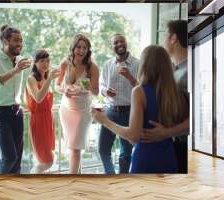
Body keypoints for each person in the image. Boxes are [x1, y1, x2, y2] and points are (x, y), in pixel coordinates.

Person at [92, 45, 188, 173]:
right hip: (169, 158)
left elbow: (133, 136)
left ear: (144, 65)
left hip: (145, 159)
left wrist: (104, 121)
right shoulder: (173, 92)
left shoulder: (139, 92)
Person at [140, 20, 189, 173]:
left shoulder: (189, 72)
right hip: (170, 146)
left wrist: (166, 133)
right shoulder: (172, 72)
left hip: (183, 147)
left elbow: (197, 119)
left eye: (165, 36)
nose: (163, 41)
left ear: (173, 38)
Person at [0, 24, 31, 174]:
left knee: (17, 159)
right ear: (6, 41)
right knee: (9, 157)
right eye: (16, 40)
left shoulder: (20, 60)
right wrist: (15, 70)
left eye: (21, 40)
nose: (20, 44)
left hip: (17, 112)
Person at [56, 34, 99, 174]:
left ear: (88, 50)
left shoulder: (92, 67)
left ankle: (71, 181)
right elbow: (56, 86)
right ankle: (77, 177)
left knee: (76, 148)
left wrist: (88, 86)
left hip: (82, 110)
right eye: (78, 47)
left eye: (84, 48)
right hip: (66, 109)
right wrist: (64, 90)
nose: (81, 50)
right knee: (72, 146)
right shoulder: (64, 64)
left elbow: (96, 92)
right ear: (73, 48)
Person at [98, 34, 139, 174]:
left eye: (122, 41)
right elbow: (101, 86)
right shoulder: (107, 65)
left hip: (129, 113)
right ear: (112, 46)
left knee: (126, 154)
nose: (119, 44)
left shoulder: (137, 64)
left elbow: (142, 89)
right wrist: (105, 91)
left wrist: (129, 77)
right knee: (103, 149)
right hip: (110, 112)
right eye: (116, 42)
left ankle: (122, 181)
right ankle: (110, 175)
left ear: (126, 43)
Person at [24, 49, 59, 174]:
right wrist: (50, 79)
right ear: (35, 63)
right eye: (42, 61)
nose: (46, 64)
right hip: (38, 121)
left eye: (48, 60)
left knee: (48, 158)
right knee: (47, 161)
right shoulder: (31, 79)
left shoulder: (45, 77)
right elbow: (38, 98)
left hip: (48, 119)